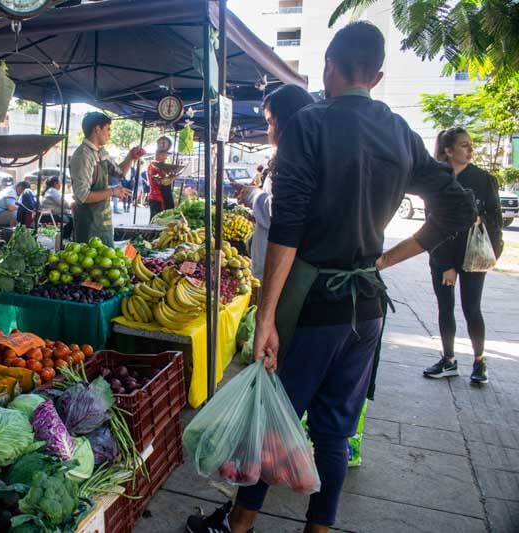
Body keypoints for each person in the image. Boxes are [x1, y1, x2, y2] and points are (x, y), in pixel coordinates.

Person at [187, 22, 475, 533]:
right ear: (379, 75)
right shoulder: (399, 131)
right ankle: (319, 528)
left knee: (272, 420)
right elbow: (457, 206)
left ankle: (239, 525)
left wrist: (268, 314)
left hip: (313, 302)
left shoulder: (310, 124)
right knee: (335, 433)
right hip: (366, 307)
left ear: (329, 66)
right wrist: (386, 259)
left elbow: (289, 226)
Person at [423, 127, 503, 384]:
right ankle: (448, 360)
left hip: (473, 254)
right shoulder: (438, 180)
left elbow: (496, 220)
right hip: (442, 253)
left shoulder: (483, 179)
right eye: (464, 145)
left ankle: (479, 362)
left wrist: (491, 251)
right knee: (445, 307)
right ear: (448, 150)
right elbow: (431, 224)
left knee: (472, 308)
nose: (470, 150)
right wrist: (445, 263)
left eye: (471, 144)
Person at [238, 84, 314, 281]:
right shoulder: (298, 155)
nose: (268, 129)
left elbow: (280, 212)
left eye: (270, 122)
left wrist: (253, 196)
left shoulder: (296, 161)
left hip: (280, 275)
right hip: (276, 269)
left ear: (287, 121)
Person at [68, 112, 138, 245]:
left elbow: (120, 173)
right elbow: (83, 196)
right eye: (108, 129)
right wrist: (113, 191)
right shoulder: (83, 156)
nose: (109, 134)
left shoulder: (101, 152)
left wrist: (130, 157)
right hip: (88, 223)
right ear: (97, 129)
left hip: (102, 221)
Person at [147, 149, 175, 220]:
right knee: (155, 220)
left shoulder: (160, 166)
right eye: (163, 155)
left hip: (160, 197)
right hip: (156, 197)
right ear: (157, 155)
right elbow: (161, 181)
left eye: (166, 155)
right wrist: (172, 178)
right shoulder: (154, 166)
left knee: (160, 219)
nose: (165, 157)